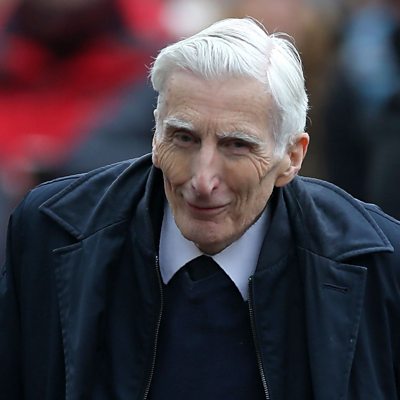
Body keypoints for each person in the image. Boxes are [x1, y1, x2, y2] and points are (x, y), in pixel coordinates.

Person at [1, 17, 399, 400]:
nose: (203, 180)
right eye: (184, 138)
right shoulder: (51, 233)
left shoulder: (377, 264)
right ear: (155, 134)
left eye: (236, 145)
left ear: (292, 157)